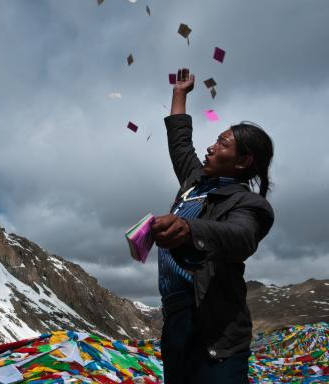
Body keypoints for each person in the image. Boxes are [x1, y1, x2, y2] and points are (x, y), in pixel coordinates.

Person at [151, 68, 275, 383]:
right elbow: (180, 144)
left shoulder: (247, 204)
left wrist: (190, 230)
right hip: (175, 321)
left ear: (243, 161)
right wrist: (180, 93)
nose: (211, 147)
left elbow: (241, 237)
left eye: (222, 144)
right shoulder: (195, 183)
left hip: (215, 330)